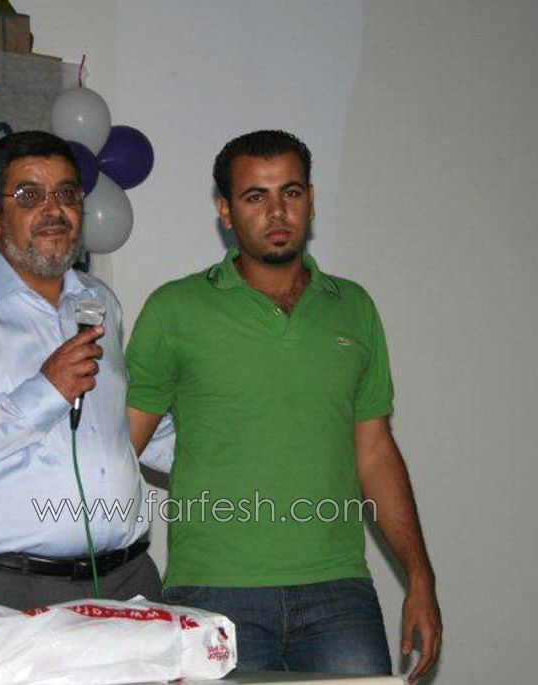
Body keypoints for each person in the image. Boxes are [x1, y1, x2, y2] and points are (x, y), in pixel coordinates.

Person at [126, 130, 442, 682]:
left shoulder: (354, 308)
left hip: (339, 593)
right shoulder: (175, 310)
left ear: (310, 201)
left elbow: (374, 452)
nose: (276, 212)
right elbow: (120, 447)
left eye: (290, 192)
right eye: (255, 196)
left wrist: (420, 578)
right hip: (213, 592)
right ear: (226, 211)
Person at [0, 131, 161, 610]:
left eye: (67, 194)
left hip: (126, 582)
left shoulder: (99, 301)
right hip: (4, 589)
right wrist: (43, 393)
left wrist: (224, 436)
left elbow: (119, 427)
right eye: (29, 196)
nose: (54, 210)